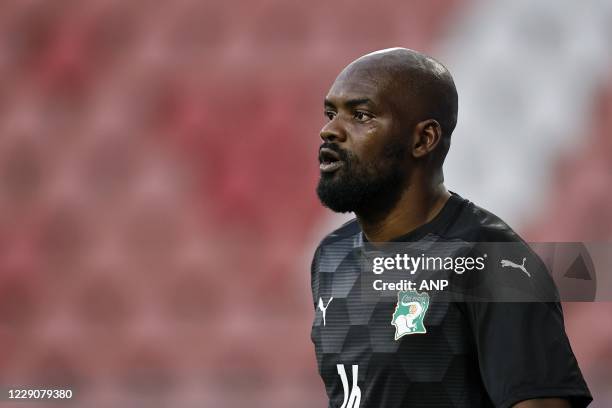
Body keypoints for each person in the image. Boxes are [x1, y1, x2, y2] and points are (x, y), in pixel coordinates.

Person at [310, 48, 592, 408]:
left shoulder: (494, 263)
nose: (329, 130)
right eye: (331, 113)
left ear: (423, 140)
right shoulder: (331, 257)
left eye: (361, 115)